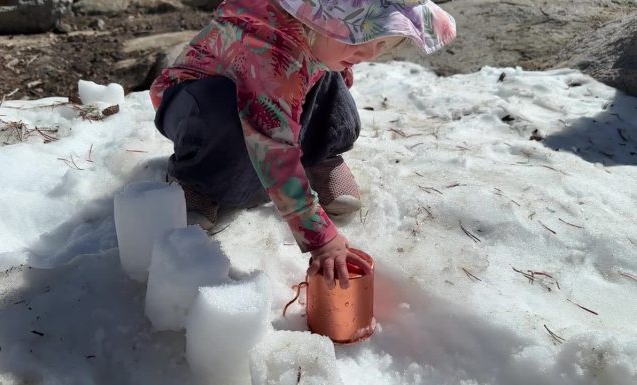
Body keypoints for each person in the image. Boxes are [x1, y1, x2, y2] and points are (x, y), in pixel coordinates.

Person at [150, 0, 456, 289]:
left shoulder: (320, 39)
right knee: (224, 112)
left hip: (279, 91)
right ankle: (198, 178)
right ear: (318, 18)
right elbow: (272, 146)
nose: (368, 54)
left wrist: (321, 133)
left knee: (329, 73)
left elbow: (320, 87)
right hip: (194, 102)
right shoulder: (265, 47)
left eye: (381, 44)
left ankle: (323, 157)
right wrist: (319, 236)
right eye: (357, 36)